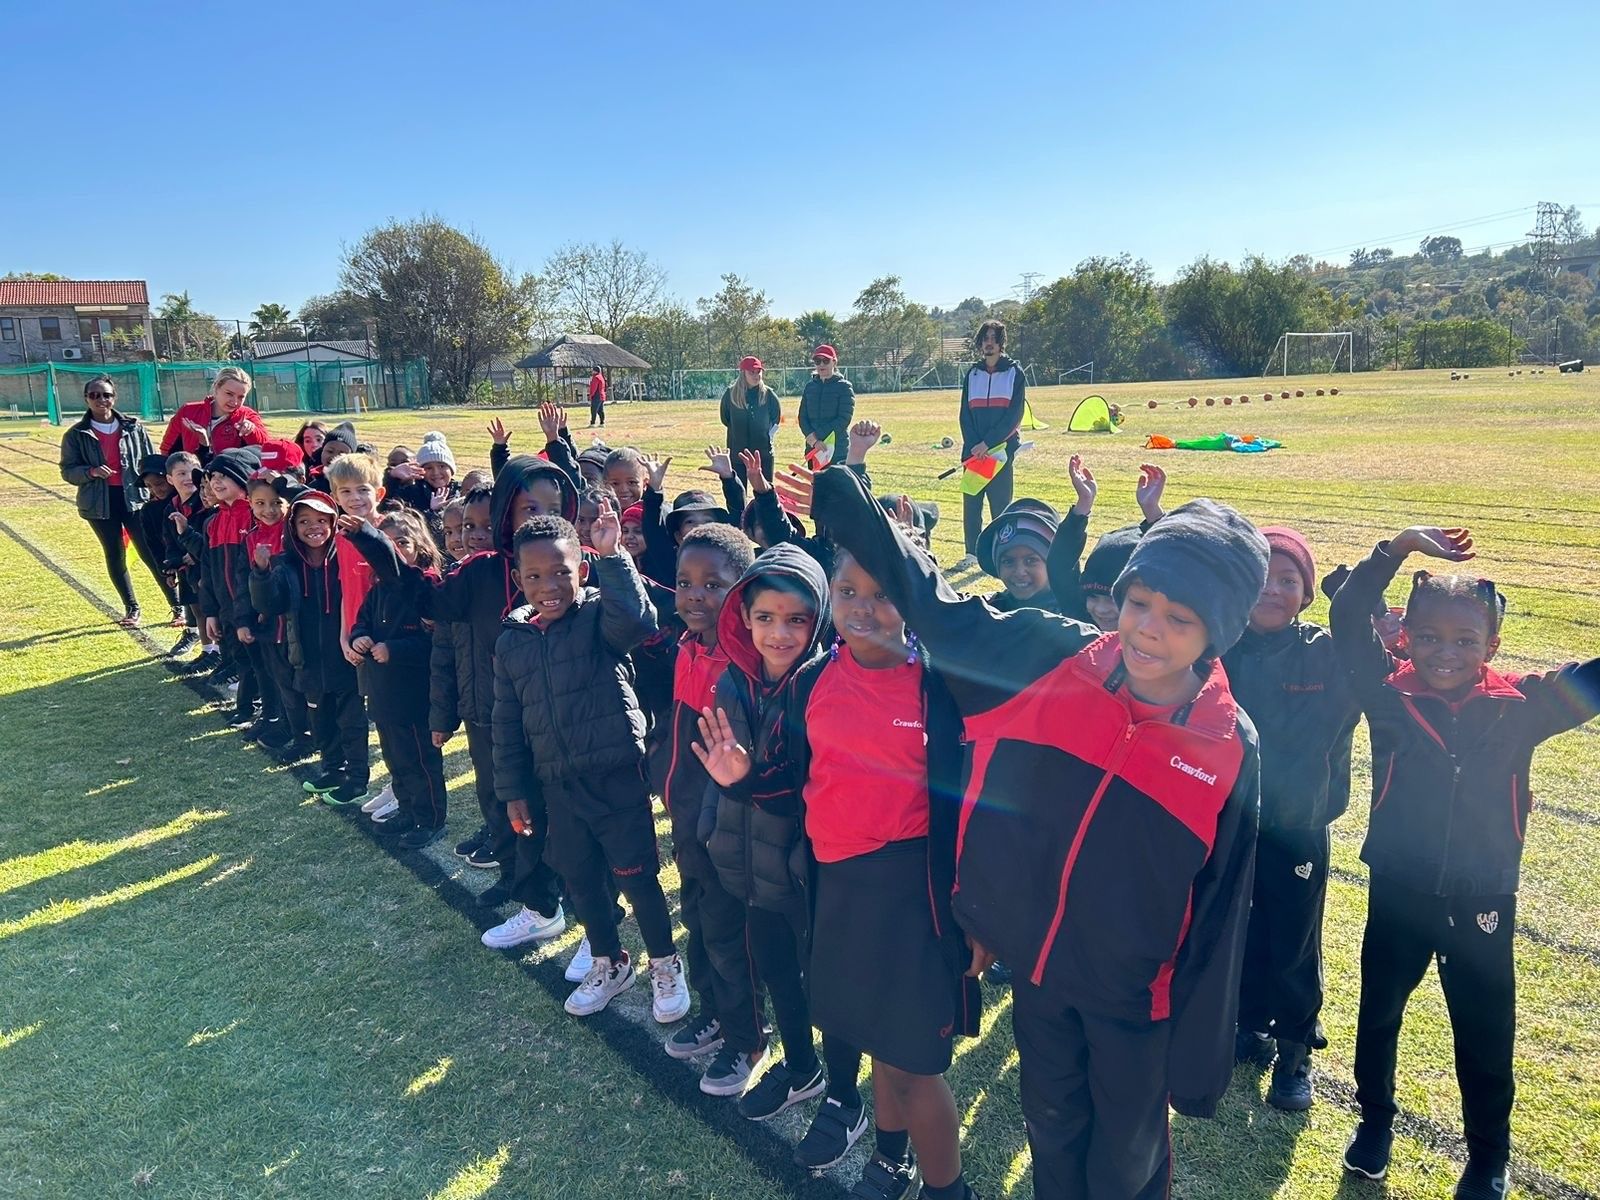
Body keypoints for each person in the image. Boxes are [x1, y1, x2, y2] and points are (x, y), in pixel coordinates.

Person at [794, 463, 1266, 1200]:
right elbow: (937, 607)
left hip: (1134, 997)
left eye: (1180, 619)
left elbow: (1226, 904)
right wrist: (852, 511)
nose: (1147, 630)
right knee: (1052, 1132)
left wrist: (1200, 1054)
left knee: (1124, 1163)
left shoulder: (1228, 742)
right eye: (1139, 602)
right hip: (1039, 978)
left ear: (1218, 634)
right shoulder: (1055, 658)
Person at [1330, 526, 1600, 1198]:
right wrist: (1395, 550)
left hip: (1483, 897)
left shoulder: (1523, 709)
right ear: (1404, 638)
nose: (1443, 654)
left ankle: (1487, 1157)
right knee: (1380, 1015)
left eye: (1464, 642)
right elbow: (1342, 615)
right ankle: (1375, 1125)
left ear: (1493, 648)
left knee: (1485, 1029)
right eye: (1428, 638)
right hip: (1400, 890)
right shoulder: (1388, 695)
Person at [491, 510, 691, 1022]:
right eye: (534, 576)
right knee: (581, 879)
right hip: (558, 784)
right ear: (518, 580)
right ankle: (609, 960)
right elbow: (507, 722)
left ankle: (665, 963)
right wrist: (513, 790)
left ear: (582, 571)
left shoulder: (600, 616)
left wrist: (614, 557)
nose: (548, 586)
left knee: (637, 876)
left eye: (561, 571)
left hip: (616, 776)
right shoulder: (513, 639)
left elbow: (641, 621)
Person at [1223, 525, 1361, 1111]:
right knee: (1239, 928)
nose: (1272, 590)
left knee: (1294, 941)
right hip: (1230, 822)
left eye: (1288, 580)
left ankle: (1295, 1050)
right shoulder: (1221, 645)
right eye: (1261, 577)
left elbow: (1366, 649)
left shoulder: (1327, 652)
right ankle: (1248, 1026)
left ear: (1306, 594)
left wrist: (1365, 597)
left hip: (1299, 824)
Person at [660, 524, 767, 1089]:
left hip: (725, 834)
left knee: (731, 937)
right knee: (697, 925)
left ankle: (748, 1039)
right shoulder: (686, 648)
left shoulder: (742, 666)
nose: (695, 596)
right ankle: (714, 1013)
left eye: (712, 584)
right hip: (686, 826)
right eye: (684, 583)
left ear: (740, 591)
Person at [249, 489, 369, 806]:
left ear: (332, 522)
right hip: (308, 658)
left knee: (351, 720)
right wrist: (260, 573)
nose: (312, 527)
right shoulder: (285, 564)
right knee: (322, 718)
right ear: (293, 527)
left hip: (345, 656)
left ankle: (358, 778)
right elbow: (269, 604)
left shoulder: (346, 556)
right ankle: (332, 769)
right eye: (303, 521)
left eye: (320, 520)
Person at [343, 508, 450, 850]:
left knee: (420, 760)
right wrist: (360, 637)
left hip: (414, 697)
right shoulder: (377, 590)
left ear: (420, 545)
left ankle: (430, 818)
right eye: (386, 543)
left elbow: (434, 643)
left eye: (401, 542)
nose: (393, 550)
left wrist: (394, 648)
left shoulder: (425, 587)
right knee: (396, 759)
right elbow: (362, 622)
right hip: (383, 694)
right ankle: (406, 808)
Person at [58, 375, 165, 627]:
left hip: (135, 499)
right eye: (94, 395)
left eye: (106, 395)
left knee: (152, 552)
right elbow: (67, 471)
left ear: (113, 397)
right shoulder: (75, 435)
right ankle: (132, 608)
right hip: (99, 504)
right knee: (115, 555)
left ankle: (177, 605)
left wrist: (155, 489)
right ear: (86, 399)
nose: (101, 400)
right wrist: (91, 472)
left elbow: (150, 461)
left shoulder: (133, 427)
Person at [957, 320, 1027, 562]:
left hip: (1000, 451)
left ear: (1001, 343)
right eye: (985, 338)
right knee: (972, 504)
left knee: (1000, 505)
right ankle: (971, 553)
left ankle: (1001, 552)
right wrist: (974, 445)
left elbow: (1014, 416)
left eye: (993, 338)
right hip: (973, 452)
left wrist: (987, 444)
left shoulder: (1014, 373)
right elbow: (965, 415)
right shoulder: (972, 374)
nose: (989, 343)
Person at [158, 365, 269, 461]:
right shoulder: (188, 412)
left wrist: (251, 431)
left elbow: (266, 450)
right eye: (229, 394)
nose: (234, 401)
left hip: (229, 480)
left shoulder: (248, 415)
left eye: (241, 397)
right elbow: (167, 450)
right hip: (193, 477)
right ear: (216, 388)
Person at [720, 356, 782, 485]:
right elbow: (725, 419)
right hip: (738, 454)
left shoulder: (769, 395)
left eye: (758, 371)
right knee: (738, 493)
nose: (756, 375)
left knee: (765, 493)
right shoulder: (730, 394)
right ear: (743, 374)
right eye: (751, 372)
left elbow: (775, 419)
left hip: (763, 454)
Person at [798, 345, 855, 468]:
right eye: (818, 361)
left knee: (836, 487)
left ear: (834, 362)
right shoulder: (809, 387)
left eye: (826, 360)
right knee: (816, 487)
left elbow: (843, 419)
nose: (821, 365)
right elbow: (802, 417)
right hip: (813, 449)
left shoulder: (844, 387)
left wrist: (818, 436)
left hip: (837, 451)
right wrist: (812, 440)